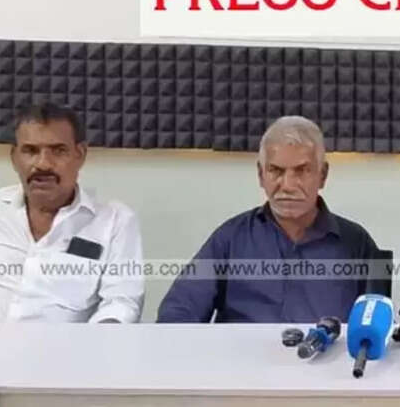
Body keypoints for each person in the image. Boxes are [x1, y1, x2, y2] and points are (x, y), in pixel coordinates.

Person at [157, 116, 383, 323]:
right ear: (260, 174)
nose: (288, 185)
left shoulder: (356, 243)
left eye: (302, 171)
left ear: (322, 175)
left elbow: (377, 322)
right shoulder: (231, 238)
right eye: (276, 171)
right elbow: (178, 311)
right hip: (242, 364)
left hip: (328, 363)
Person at [0, 104, 144, 322]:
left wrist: (97, 348)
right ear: (14, 157)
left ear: (80, 154)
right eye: (30, 151)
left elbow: (121, 302)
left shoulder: (115, 221)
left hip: (64, 354)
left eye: (58, 150)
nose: (43, 164)